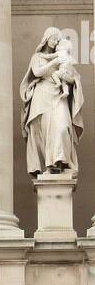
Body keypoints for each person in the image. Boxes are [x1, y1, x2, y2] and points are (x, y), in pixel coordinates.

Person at [20, 27, 84, 176]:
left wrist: (68, 78)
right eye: (53, 38)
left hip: (59, 94)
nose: (55, 41)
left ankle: (60, 161)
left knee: (62, 127)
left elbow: (73, 77)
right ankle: (50, 166)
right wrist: (54, 61)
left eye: (58, 39)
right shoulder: (37, 57)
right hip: (41, 95)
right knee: (41, 132)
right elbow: (37, 72)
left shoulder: (63, 56)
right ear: (46, 38)